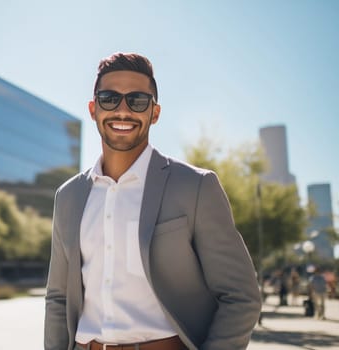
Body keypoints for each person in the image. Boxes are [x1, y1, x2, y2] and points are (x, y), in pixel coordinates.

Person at [44, 53, 262, 350]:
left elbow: (241, 296)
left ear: (154, 113)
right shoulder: (68, 196)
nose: (122, 111)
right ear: (93, 109)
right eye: (109, 99)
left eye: (137, 101)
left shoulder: (195, 186)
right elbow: (58, 296)